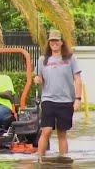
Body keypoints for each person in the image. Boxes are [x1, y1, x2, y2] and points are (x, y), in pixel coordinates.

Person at [34, 29, 82, 161]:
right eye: (52, 41)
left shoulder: (70, 58)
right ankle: (40, 159)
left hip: (66, 101)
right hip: (48, 100)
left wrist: (78, 99)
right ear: (49, 43)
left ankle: (63, 160)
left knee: (62, 132)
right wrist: (37, 79)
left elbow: (77, 79)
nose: (54, 43)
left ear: (61, 42)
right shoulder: (42, 60)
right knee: (46, 131)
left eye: (56, 40)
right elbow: (39, 78)